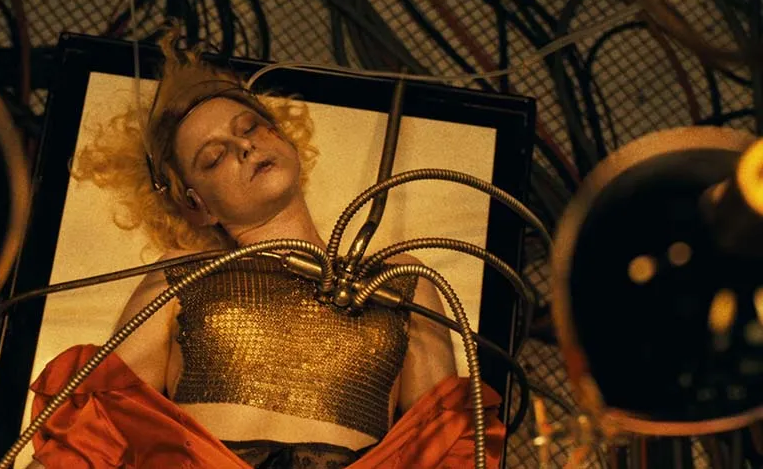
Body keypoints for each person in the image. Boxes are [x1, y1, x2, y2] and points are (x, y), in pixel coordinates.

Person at [25, 30, 505, 469]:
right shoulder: (184, 274)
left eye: (251, 128)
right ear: (197, 206)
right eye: (213, 157)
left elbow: (446, 445)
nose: (244, 147)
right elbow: (94, 428)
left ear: (283, 138)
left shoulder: (398, 277)